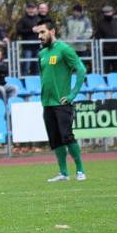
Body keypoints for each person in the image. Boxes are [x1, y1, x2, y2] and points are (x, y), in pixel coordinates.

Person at [35, 19, 87, 182]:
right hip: (47, 103)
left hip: (62, 103)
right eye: (38, 33)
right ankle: (63, 173)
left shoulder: (64, 49)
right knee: (55, 139)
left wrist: (72, 95)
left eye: (42, 32)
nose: (39, 36)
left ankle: (80, 170)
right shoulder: (42, 54)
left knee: (67, 136)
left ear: (52, 31)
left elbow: (81, 69)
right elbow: (43, 76)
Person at [95, 5, 117, 73]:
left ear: (112, 12)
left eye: (109, 12)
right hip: (106, 50)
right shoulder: (100, 23)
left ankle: (116, 82)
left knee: (116, 67)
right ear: (103, 13)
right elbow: (98, 35)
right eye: (105, 12)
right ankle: (105, 81)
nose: (107, 14)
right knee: (105, 67)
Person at [16, 2, 40, 75]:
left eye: (32, 8)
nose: (31, 10)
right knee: (26, 65)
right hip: (27, 47)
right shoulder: (22, 20)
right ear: (26, 9)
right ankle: (24, 82)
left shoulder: (39, 19)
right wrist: (31, 30)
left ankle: (36, 83)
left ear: (35, 9)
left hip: (37, 46)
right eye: (29, 8)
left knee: (37, 66)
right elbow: (19, 31)